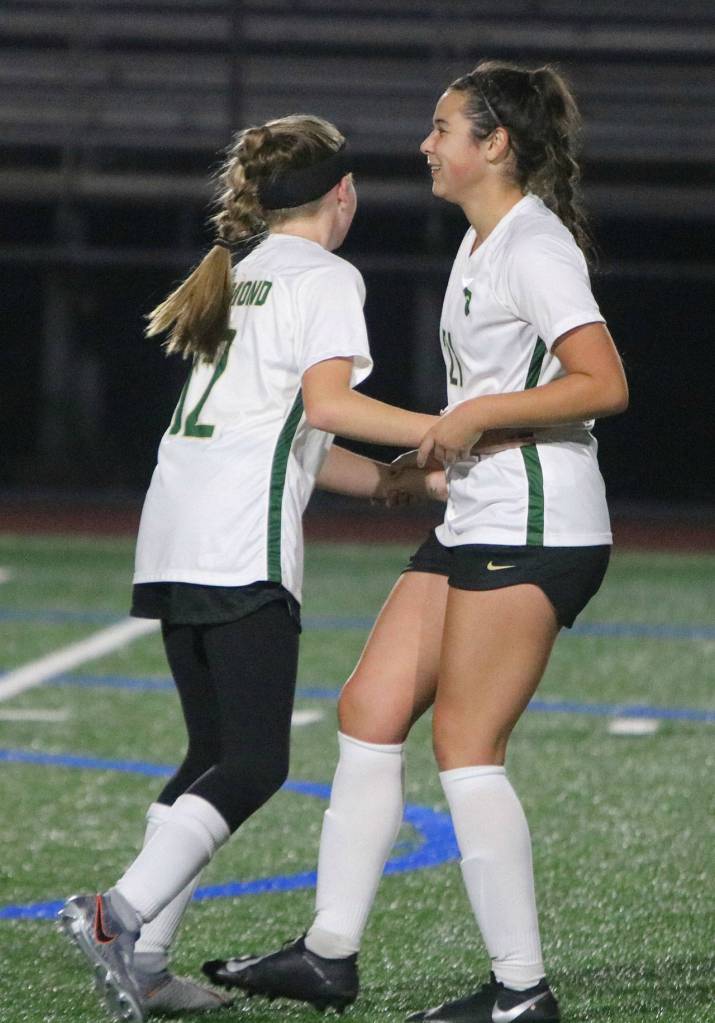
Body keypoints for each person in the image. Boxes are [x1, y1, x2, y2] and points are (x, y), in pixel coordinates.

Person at [201, 60, 629, 1023]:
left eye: (442, 129)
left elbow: (602, 383)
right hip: (476, 515)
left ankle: (522, 990)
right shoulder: (481, 246)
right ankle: (327, 953)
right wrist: (440, 450)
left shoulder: (531, 245)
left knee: (465, 746)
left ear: (495, 146)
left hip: (535, 519)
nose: (425, 145)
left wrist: (476, 415)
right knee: (367, 707)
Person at [57, 113, 447, 1023]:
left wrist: (396, 481)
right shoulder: (326, 275)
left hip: (175, 534)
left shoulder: (240, 270)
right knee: (258, 761)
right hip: (239, 544)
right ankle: (116, 916)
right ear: (342, 193)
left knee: (208, 752)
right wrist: (444, 429)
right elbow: (329, 403)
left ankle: (144, 964)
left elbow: (294, 437)